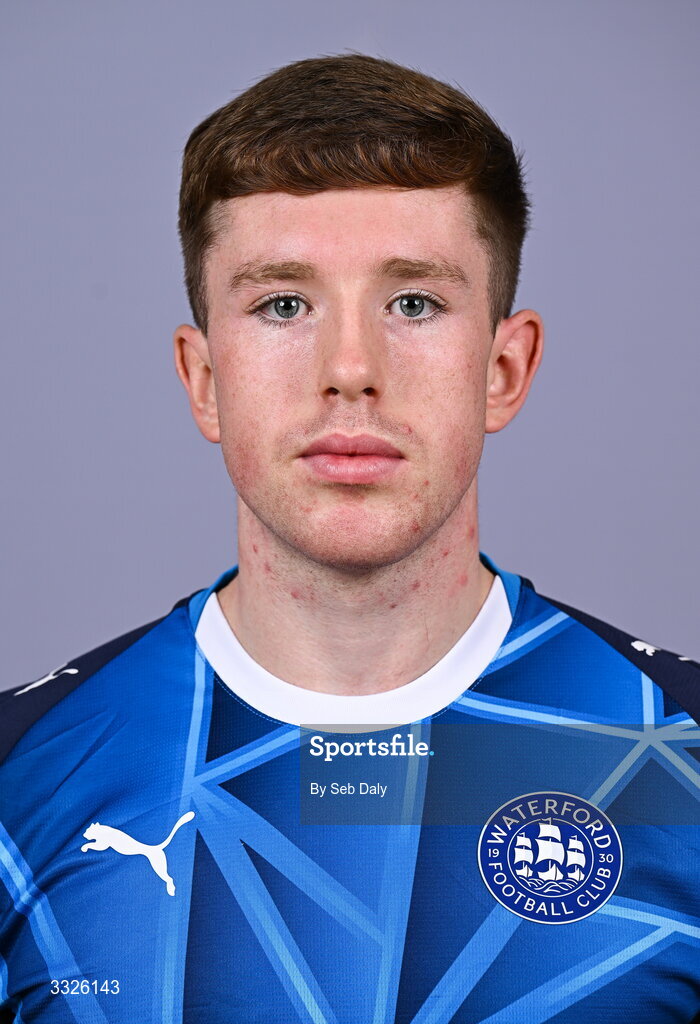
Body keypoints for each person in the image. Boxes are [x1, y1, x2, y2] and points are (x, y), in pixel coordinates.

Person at [1, 52, 698, 1024]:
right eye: (283, 303)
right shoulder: (19, 780)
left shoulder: (680, 753)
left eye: (412, 301)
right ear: (203, 377)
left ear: (504, 366)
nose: (350, 368)